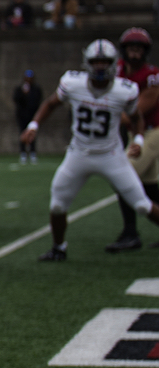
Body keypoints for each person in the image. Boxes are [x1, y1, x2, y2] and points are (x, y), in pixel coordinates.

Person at [23, 40, 159, 261]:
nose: (100, 67)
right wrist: (33, 125)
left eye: (105, 62)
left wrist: (140, 140)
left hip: (111, 155)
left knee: (142, 205)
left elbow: (136, 118)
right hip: (79, 153)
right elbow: (50, 104)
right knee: (57, 203)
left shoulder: (125, 90)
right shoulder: (73, 83)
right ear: (87, 63)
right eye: (96, 62)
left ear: (114, 63)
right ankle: (59, 248)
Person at [106, 28, 159, 252]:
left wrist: (108, 112)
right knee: (149, 186)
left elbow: (138, 110)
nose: (135, 53)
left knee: (123, 177)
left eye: (139, 49)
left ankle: (130, 233)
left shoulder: (151, 76)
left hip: (152, 131)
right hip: (134, 132)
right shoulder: (118, 71)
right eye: (131, 49)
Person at [13, 69, 43, 164]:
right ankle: (23, 153)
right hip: (22, 116)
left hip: (32, 116)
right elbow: (16, 100)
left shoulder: (36, 89)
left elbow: (38, 101)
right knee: (22, 133)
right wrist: (23, 94)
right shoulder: (20, 89)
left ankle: (33, 152)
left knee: (32, 134)